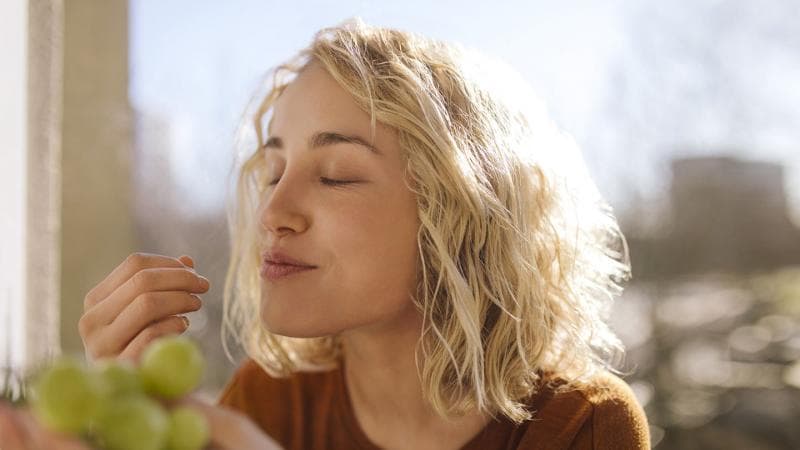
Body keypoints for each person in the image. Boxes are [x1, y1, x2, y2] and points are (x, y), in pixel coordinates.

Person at [0, 17, 650, 450]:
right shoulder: (266, 399)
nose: (272, 211)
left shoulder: (583, 426)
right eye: (273, 169)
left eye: (335, 173)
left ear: (461, 215)